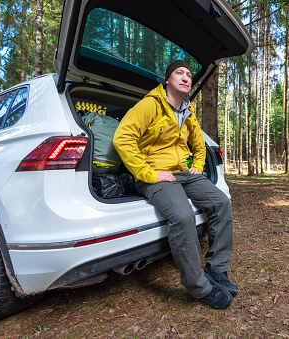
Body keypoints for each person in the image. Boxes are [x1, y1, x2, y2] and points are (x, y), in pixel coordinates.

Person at [113, 60, 237, 309]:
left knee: (222, 202)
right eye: (179, 73)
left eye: (189, 74)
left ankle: (217, 268)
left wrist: (198, 166)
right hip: (155, 175)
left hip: (183, 172)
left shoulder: (188, 112)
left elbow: (199, 144)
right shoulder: (151, 104)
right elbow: (123, 138)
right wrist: (148, 173)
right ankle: (199, 286)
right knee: (182, 216)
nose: (185, 77)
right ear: (168, 80)